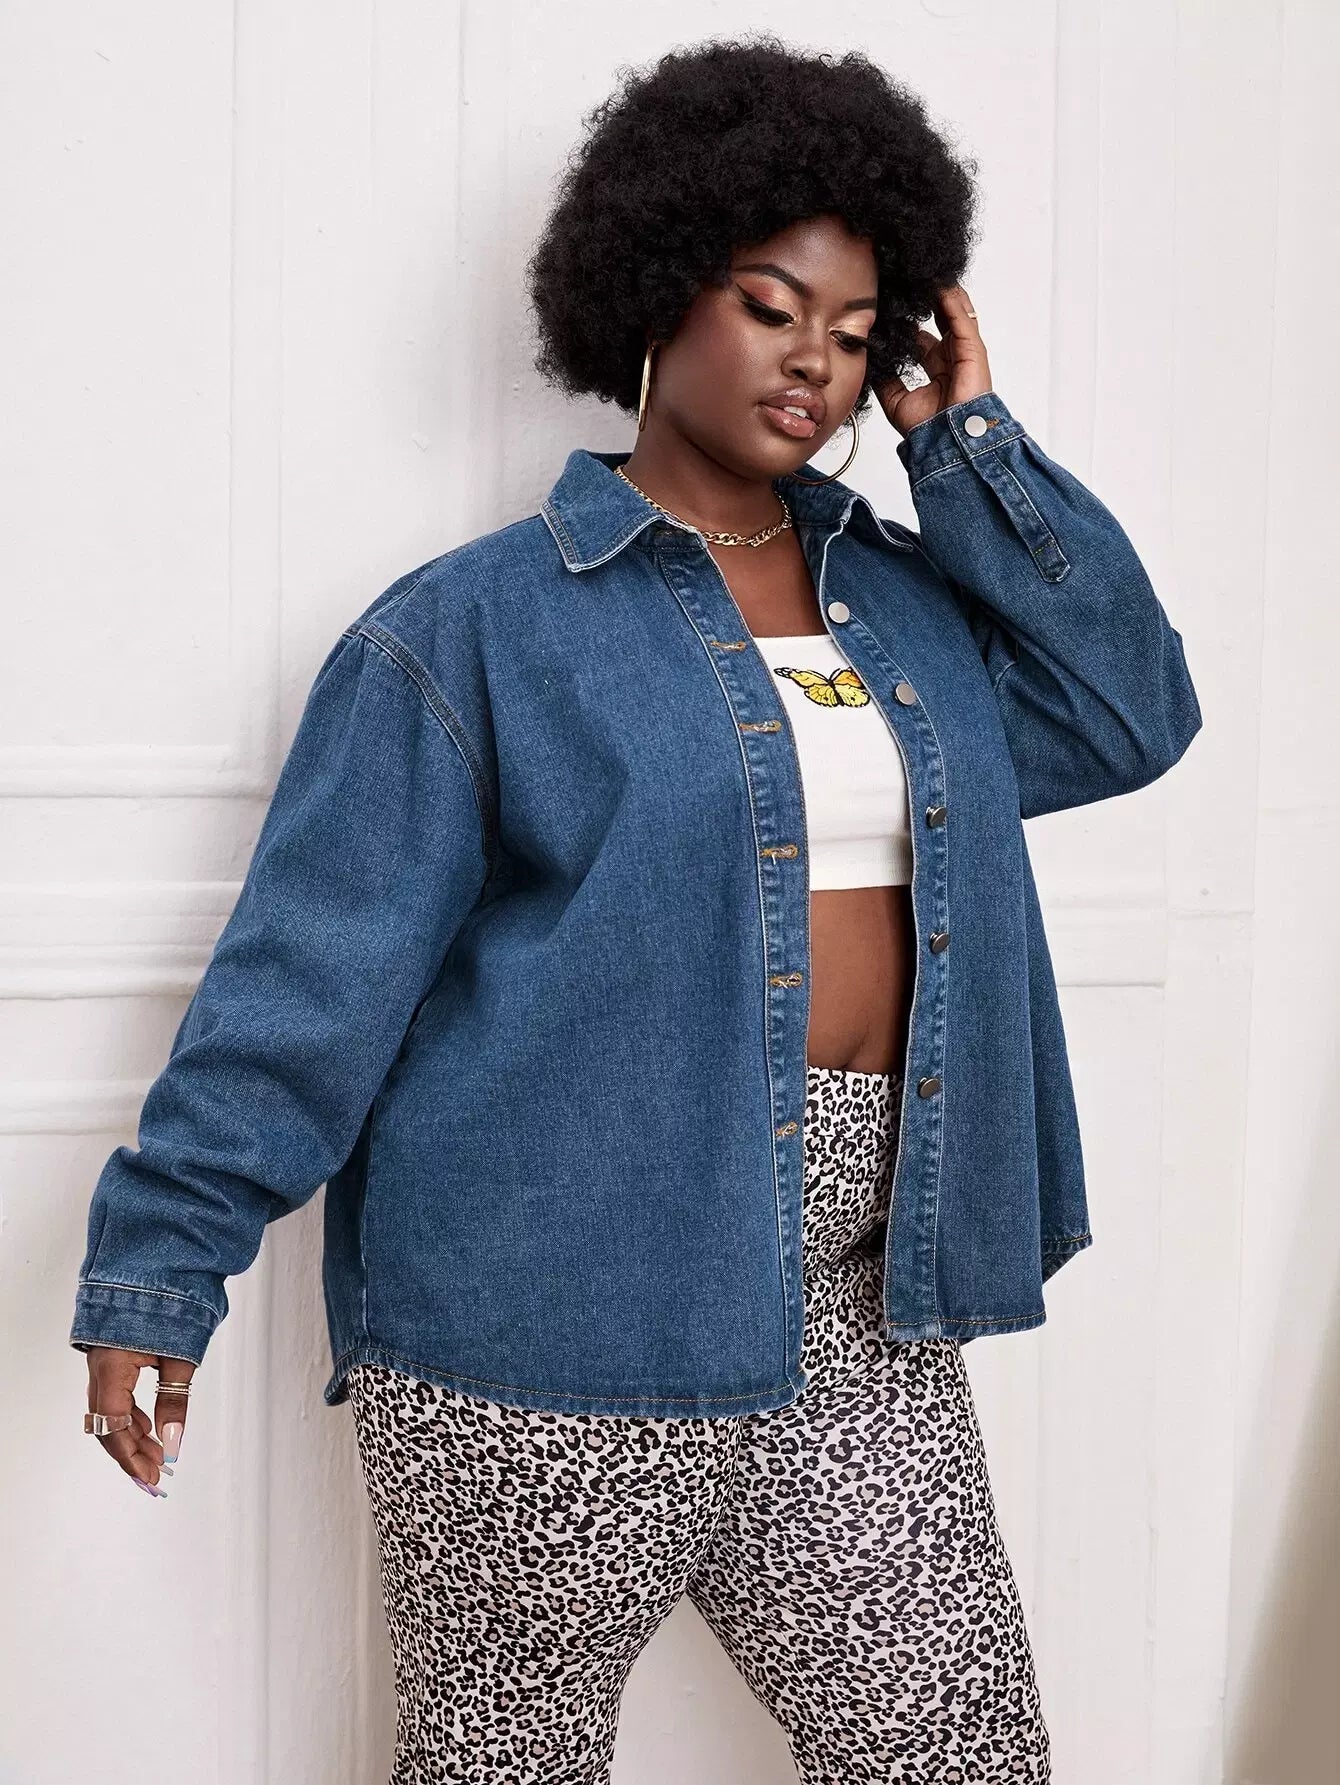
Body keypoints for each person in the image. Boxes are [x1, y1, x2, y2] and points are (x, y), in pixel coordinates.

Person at [69, 32, 1202, 1785]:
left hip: (858, 1315)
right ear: (659, 287)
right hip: (549, 1314)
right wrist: (161, 1264)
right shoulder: (469, 631)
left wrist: (966, 442)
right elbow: (311, 980)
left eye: (855, 330)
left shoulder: (910, 611)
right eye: (771, 306)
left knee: (961, 1748)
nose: (814, 362)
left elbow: (1129, 711)